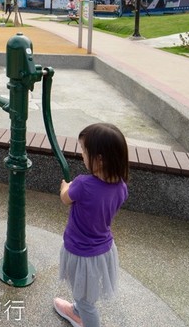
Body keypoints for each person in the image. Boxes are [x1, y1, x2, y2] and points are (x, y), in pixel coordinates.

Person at [55, 123, 129, 327]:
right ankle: (77, 310)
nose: (82, 155)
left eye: (84, 151)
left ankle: (82, 313)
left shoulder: (83, 184)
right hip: (103, 250)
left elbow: (65, 198)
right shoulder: (121, 186)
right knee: (86, 290)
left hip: (81, 253)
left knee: (87, 302)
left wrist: (65, 186)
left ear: (100, 159)